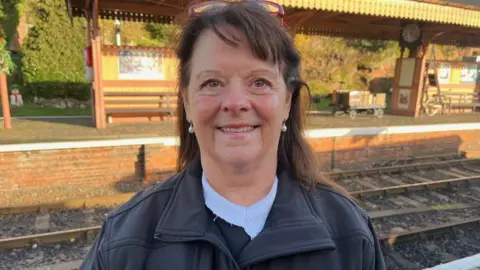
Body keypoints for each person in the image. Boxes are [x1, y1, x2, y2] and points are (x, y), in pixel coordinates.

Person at [80, 1, 386, 269]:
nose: (236, 103)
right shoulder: (124, 242)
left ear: (287, 102)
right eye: (212, 83)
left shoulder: (349, 233)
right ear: (186, 102)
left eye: (260, 82)